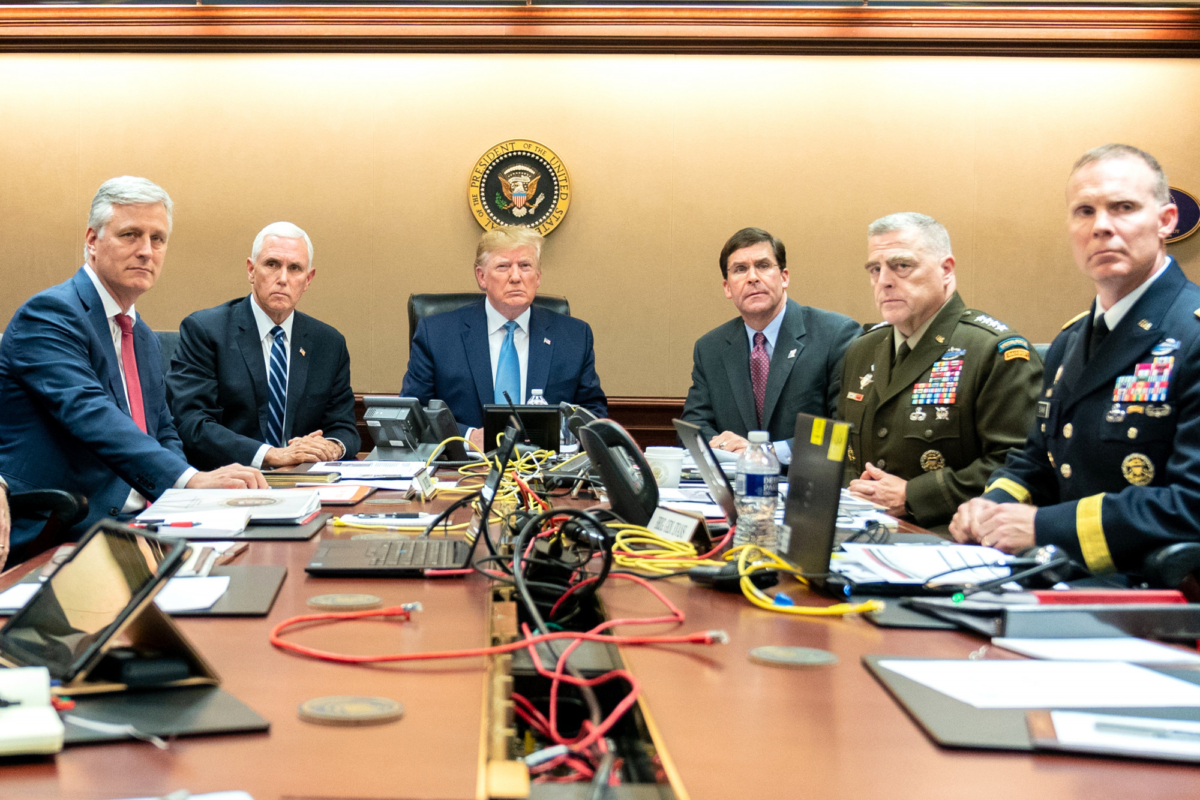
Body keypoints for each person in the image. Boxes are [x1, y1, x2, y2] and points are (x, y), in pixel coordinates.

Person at [951, 144, 1200, 575]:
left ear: (1166, 221)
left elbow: (1191, 503)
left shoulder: (1192, 332)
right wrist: (990, 506)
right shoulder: (1070, 342)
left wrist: (1046, 526)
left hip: (1157, 599)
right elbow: (1036, 462)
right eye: (1085, 211)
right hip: (1060, 579)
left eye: (1123, 207)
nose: (1101, 226)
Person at [0, 176, 266, 556]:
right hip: (67, 530)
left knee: (261, 558)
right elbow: (92, 415)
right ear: (92, 241)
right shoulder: (50, 315)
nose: (146, 251)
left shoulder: (139, 333)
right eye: (130, 235)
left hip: (146, 523)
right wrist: (187, 480)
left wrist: (184, 500)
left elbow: (162, 428)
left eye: (157, 239)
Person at [838, 213, 1043, 528]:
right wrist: (852, 489)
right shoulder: (862, 349)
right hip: (860, 530)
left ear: (946, 270)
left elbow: (1019, 464)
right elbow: (842, 447)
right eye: (875, 269)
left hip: (949, 536)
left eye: (902, 266)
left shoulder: (993, 350)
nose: (884, 281)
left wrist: (913, 495)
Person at [167, 222, 360, 470]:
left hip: (303, 482)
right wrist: (271, 455)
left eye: (295, 269)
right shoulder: (206, 331)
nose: (282, 278)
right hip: (229, 480)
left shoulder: (329, 343)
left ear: (308, 279)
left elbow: (343, 426)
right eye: (272, 264)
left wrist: (331, 447)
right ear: (251, 270)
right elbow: (192, 423)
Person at [401, 226, 607, 451]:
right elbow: (414, 413)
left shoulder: (574, 337)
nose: (516, 277)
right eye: (503, 266)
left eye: (525, 266)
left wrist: (563, 437)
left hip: (546, 474)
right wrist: (468, 437)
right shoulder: (437, 334)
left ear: (538, 277)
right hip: (463, 471)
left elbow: (592, 414)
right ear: (481, 277)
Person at [680, 227, 860, 463]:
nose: (752, 277)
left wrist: (764, 453)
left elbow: (845, 429)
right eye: (740, 269)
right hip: (734, 484)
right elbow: (695, 425)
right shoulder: (710, 348)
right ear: (727, 287)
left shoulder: (835, 335)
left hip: (805, 485)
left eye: (763, 266)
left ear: (784, 277)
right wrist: (728, 452)